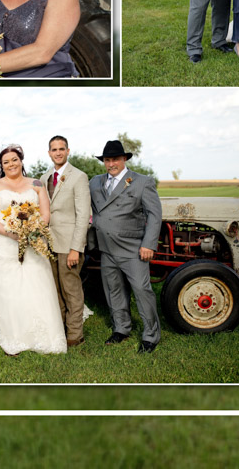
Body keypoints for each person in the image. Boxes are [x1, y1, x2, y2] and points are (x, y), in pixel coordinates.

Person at [0, 145, 66, 356]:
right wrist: (11, 232)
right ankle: (13, 334)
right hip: (3, 243)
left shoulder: (35, 184)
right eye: (6, 162)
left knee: (36, 285)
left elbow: (45, 214)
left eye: (14, 160)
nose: (11, 164)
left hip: (33, 242)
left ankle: (44, 333)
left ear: (21, 161)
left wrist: (33, 231)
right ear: (2, 165)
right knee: (8, 289)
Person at [90, 140, 163, 354]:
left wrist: (149, 244)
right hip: (106, 248)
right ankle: (121, 328)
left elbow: (154, 215)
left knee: (142, 291)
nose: (111, 163)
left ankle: (151, 335)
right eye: (107, 160)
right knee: (113, 291)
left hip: (133, 249)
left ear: (124, 159)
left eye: (115, 159)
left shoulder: (142, 182)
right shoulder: (95, 182)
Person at [42, 135, 92, 347]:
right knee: (54, 290)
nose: (58, 152)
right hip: (48, 244)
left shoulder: (78, 177)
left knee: (71, 290)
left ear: (68, 151)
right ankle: (60, 329)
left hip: (69, 244)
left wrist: (75, 248)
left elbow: (84, 215)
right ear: (49, 153)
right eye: (54, 149)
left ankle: (75, 335)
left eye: (62, 149)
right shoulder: (44, 178)